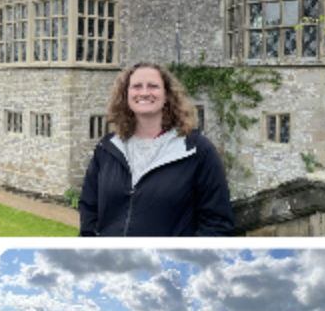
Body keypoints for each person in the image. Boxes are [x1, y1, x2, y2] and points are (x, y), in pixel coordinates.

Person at [78, 60, 233, 236]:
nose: (144, 93)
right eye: (137, 86)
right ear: (125, 94)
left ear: (166, 95)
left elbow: (217, 222)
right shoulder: (107, 148)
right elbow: (89, 207)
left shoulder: (197, 150)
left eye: (153, 86)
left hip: (164, 262)